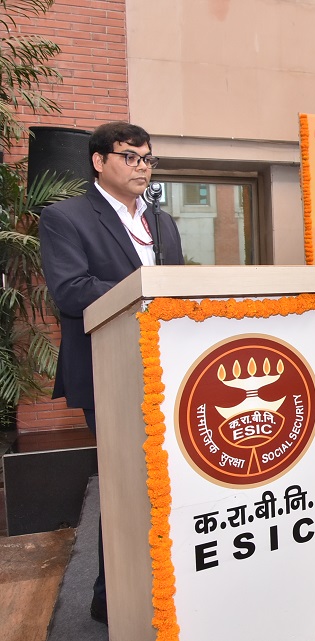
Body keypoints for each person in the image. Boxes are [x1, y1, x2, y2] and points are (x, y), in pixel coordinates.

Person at [38, 122, 185, 625]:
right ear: (99, 161)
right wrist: (144, 290)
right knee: (127, 483)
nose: (142, 167)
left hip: (168, 367)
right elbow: (71, 290)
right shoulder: (66, 217)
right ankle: (112, 595)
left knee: (168, 479)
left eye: (148, 158)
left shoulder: (162, 222)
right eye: (130, 157)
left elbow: (175, 291)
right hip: (109, 370)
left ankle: (169, 580)